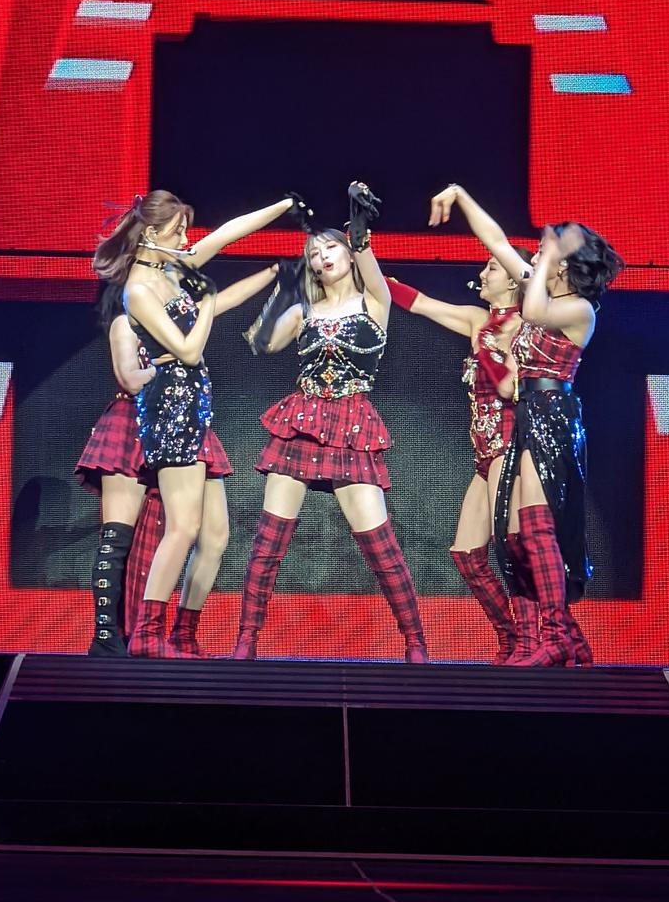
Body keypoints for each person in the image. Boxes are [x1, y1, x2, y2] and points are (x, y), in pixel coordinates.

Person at [93, 189, 296, 657]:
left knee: (216, 534)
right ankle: (147, 635)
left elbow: (224, 236)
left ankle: (183, 634)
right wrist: (204, 303)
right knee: (182, 527)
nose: (186, 240)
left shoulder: (172, 272)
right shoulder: (139, 290)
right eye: (177, 231)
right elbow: (187, 350)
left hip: (194, 409)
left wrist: (283, 210)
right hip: (169, 408)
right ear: (150, 234)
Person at [232, 183, 428, 663]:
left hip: (351, 422)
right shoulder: (306, 309)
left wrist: (359, 233)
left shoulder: (374, 301)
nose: (321, 258)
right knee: (268, 544)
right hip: (301, 419)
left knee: (380, 547)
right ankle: (246, 641)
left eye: (330, 248)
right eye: (314, 254)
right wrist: (283, 290)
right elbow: (261, 343)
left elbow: (371, 268)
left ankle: (415, 643)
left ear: (346, 252)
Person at [429, 184, 623, 666]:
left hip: (552, 415)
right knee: (521, 536)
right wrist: (462, 197)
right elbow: (496, 241)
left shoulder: (580, 309)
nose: (536, 253)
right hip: (524, 416)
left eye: (546, 251)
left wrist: (546, 258)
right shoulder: (541, 284)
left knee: (536, 531)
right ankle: (567, 638)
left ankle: (556, 636)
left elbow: (534, 311)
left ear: (564, 265)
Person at [384, 249, 535, 663]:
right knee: (467, 555)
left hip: (510, 444)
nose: (482, 273)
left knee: (512, 547)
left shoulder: (529, 328)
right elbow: (421, 304)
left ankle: (531, 642)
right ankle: (510, 638)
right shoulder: (476, 319)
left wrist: (497, 352)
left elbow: (518, 390)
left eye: (492, 268)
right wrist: (370, 269)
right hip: (484, 453)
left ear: (514, 279)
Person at [75, 283, 157, 656]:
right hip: (129, 426)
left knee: (152, 545)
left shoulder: (171, 327)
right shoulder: (125, 323)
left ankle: (140, 634)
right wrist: (169, 369)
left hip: (165, 429)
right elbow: (129, 378)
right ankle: (105, 638)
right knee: (117, 538)